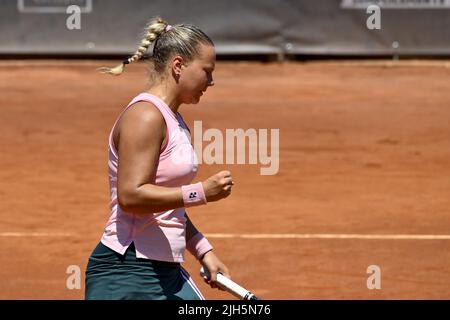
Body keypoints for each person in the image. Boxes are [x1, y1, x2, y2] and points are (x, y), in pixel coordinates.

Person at [85, 17, 234, 300]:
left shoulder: (174, 120)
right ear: (178, 65)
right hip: (126, 271)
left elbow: (167, 204)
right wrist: (201, 192)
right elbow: (131, 195)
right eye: (207, 71)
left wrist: (203, 250)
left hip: (165, 271)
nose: (211, 81)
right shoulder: (145, 116)